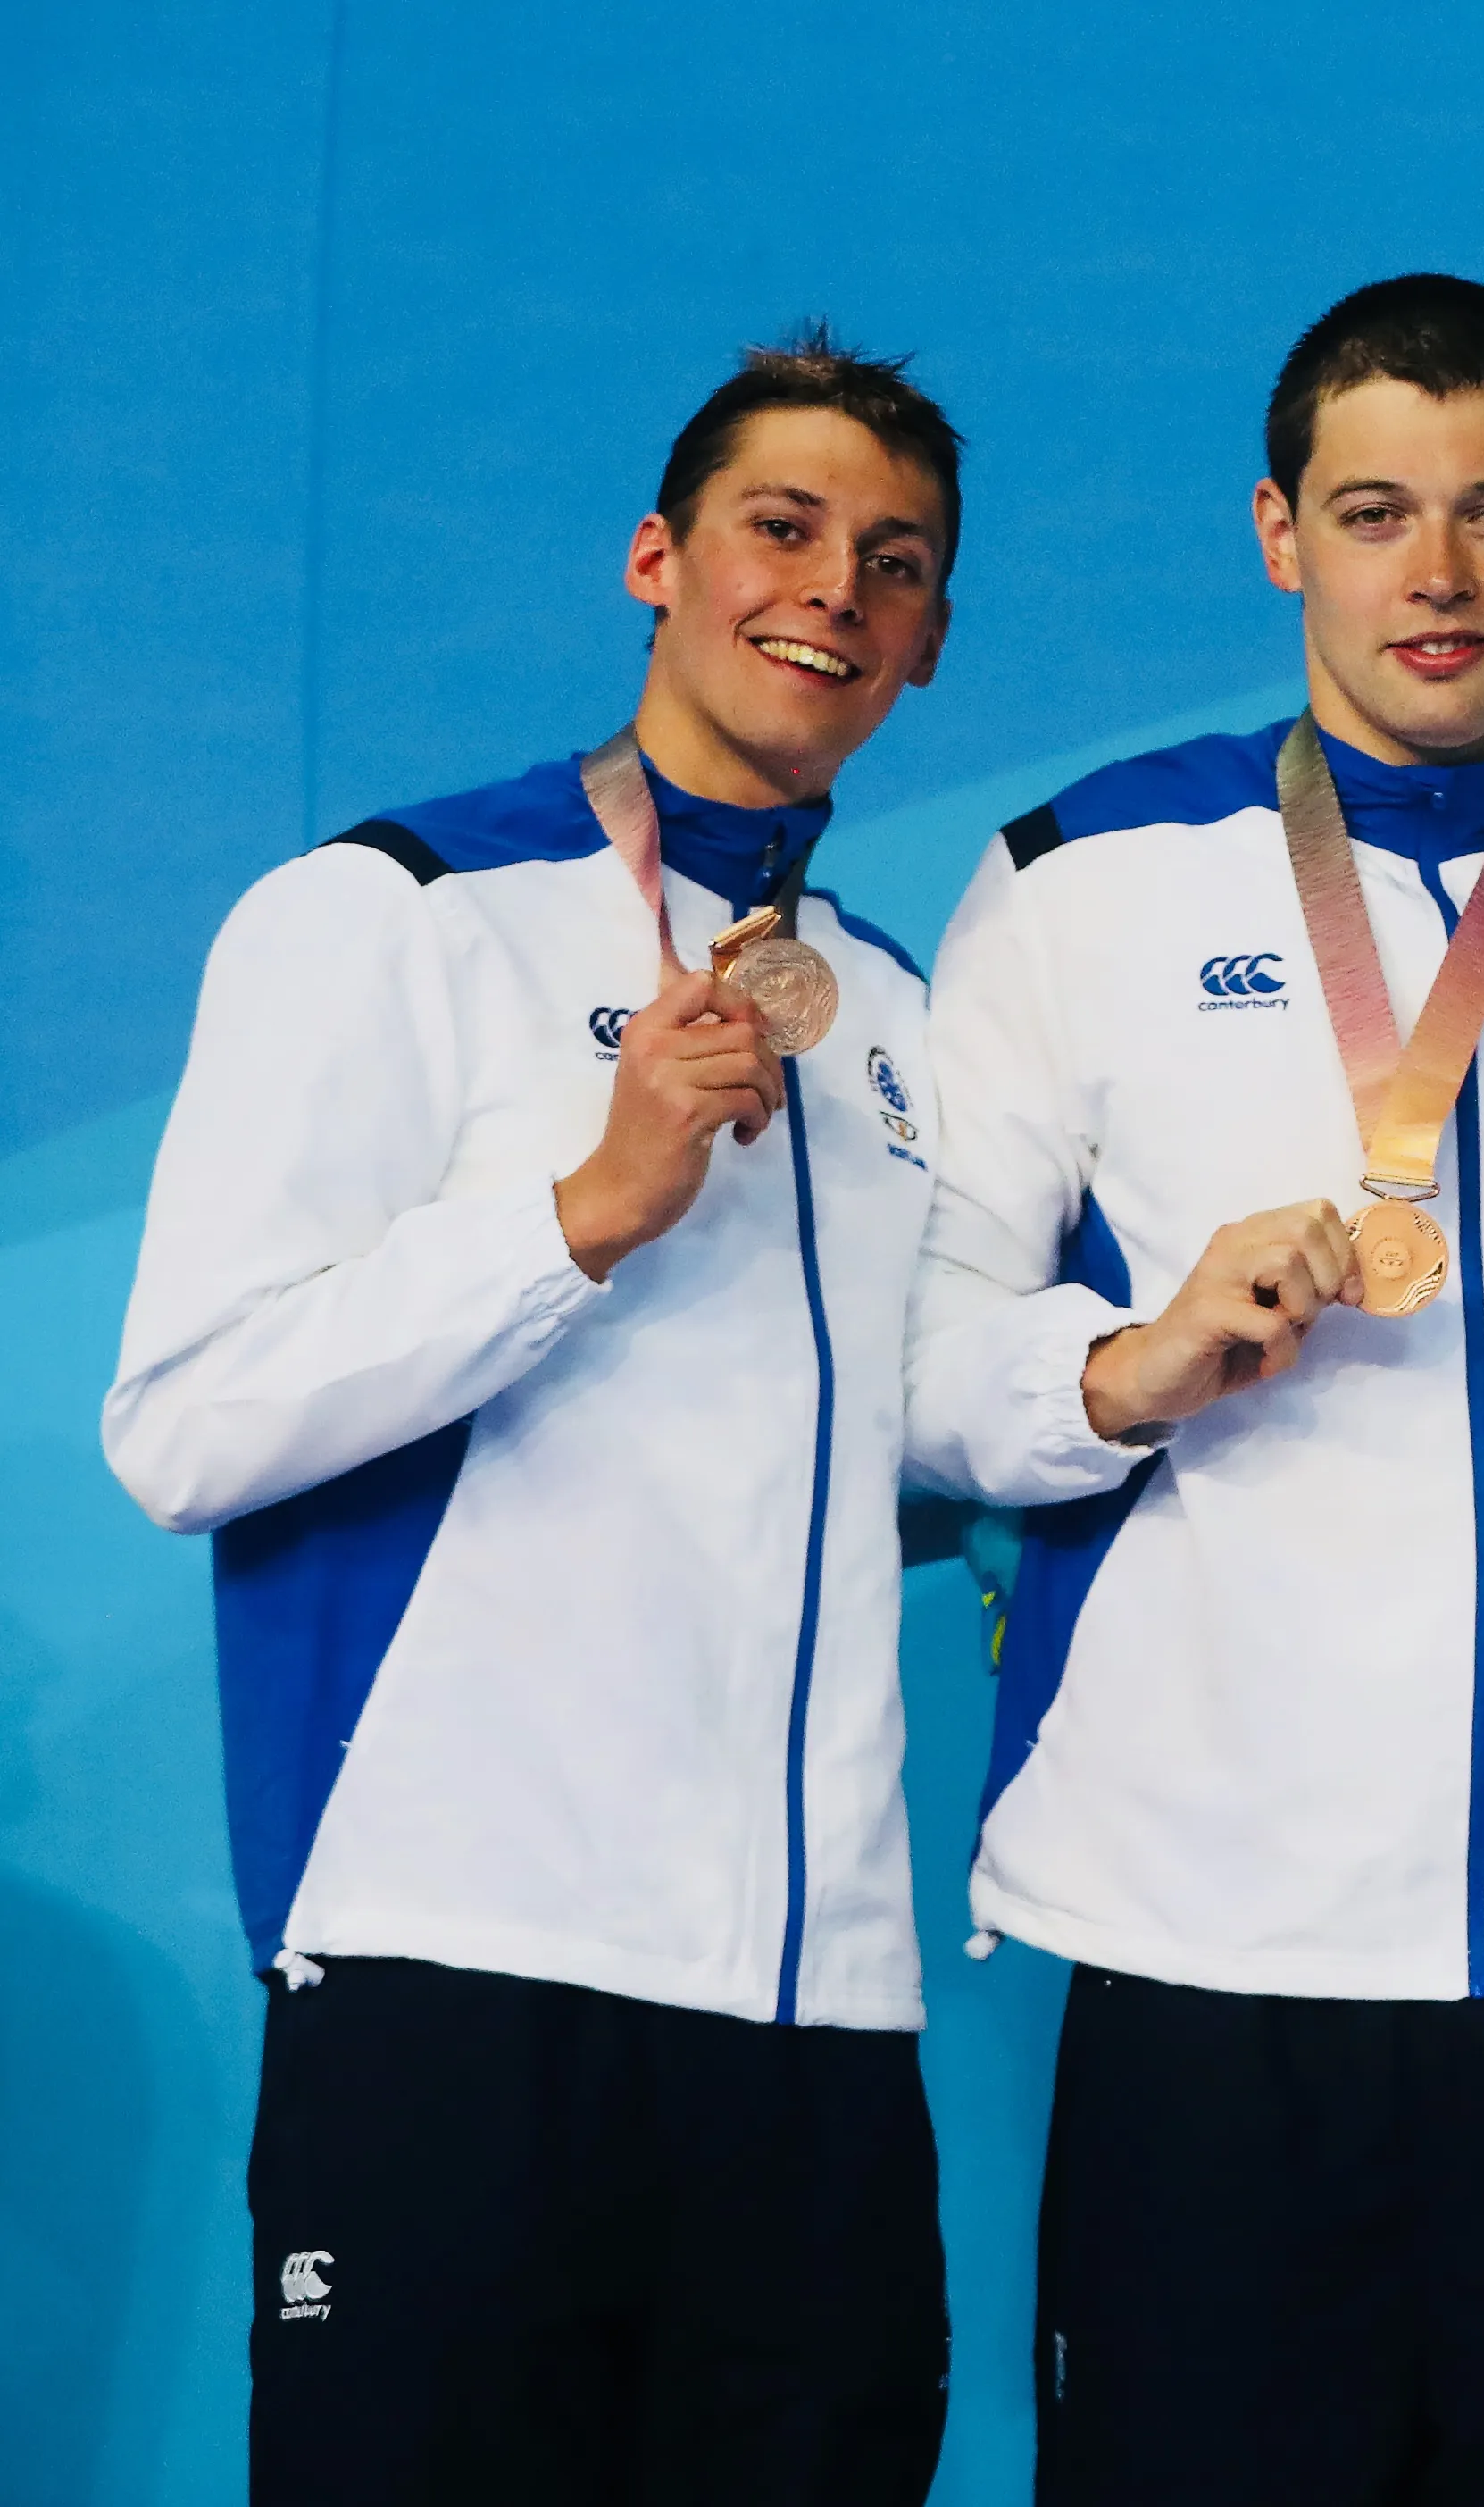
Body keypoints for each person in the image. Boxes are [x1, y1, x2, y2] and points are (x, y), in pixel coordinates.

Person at [905, 273, 1484, 2501]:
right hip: (1216, 1955)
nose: (1439, 572)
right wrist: (1125, 1365)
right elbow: (920, 1374)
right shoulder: (1072, 880)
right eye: (1376, 510)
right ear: (1275, 531)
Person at [102, 328, 963, 2500]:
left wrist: (1142, 1368)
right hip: (460, 1976)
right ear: (655, 557)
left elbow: (901, 1437)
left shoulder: (908, 1024)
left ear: (931, 641)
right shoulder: (388, 917)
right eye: (782, 529)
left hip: (813, 2018)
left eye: (895, 560)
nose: (831, 590)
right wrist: (579, 1213)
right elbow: (184, 1421)